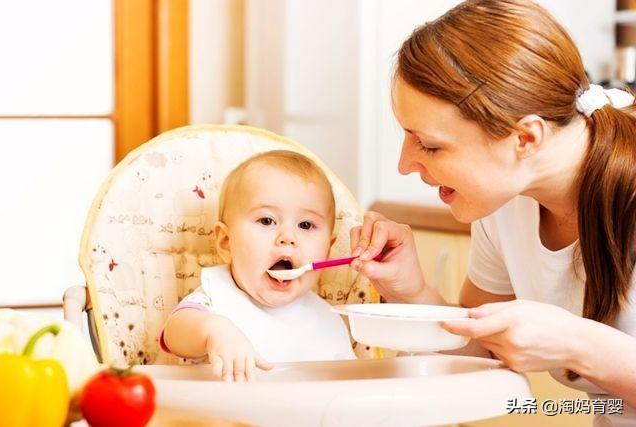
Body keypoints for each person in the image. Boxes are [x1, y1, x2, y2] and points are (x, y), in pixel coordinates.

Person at [349, 0, 636, 424]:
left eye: (429, 144)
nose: (405, 164)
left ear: (525, 138)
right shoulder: (505, 202)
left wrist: (579, 344)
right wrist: (410, 291)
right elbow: (481, 347)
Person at [160, 150, 355, 382]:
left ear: (328, 250)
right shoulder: (215, 301)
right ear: (225, 241)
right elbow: (174, 333)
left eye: (305, 224)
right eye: (266, 220)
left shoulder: (327, 319)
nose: (288, 237)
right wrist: (214, 331)